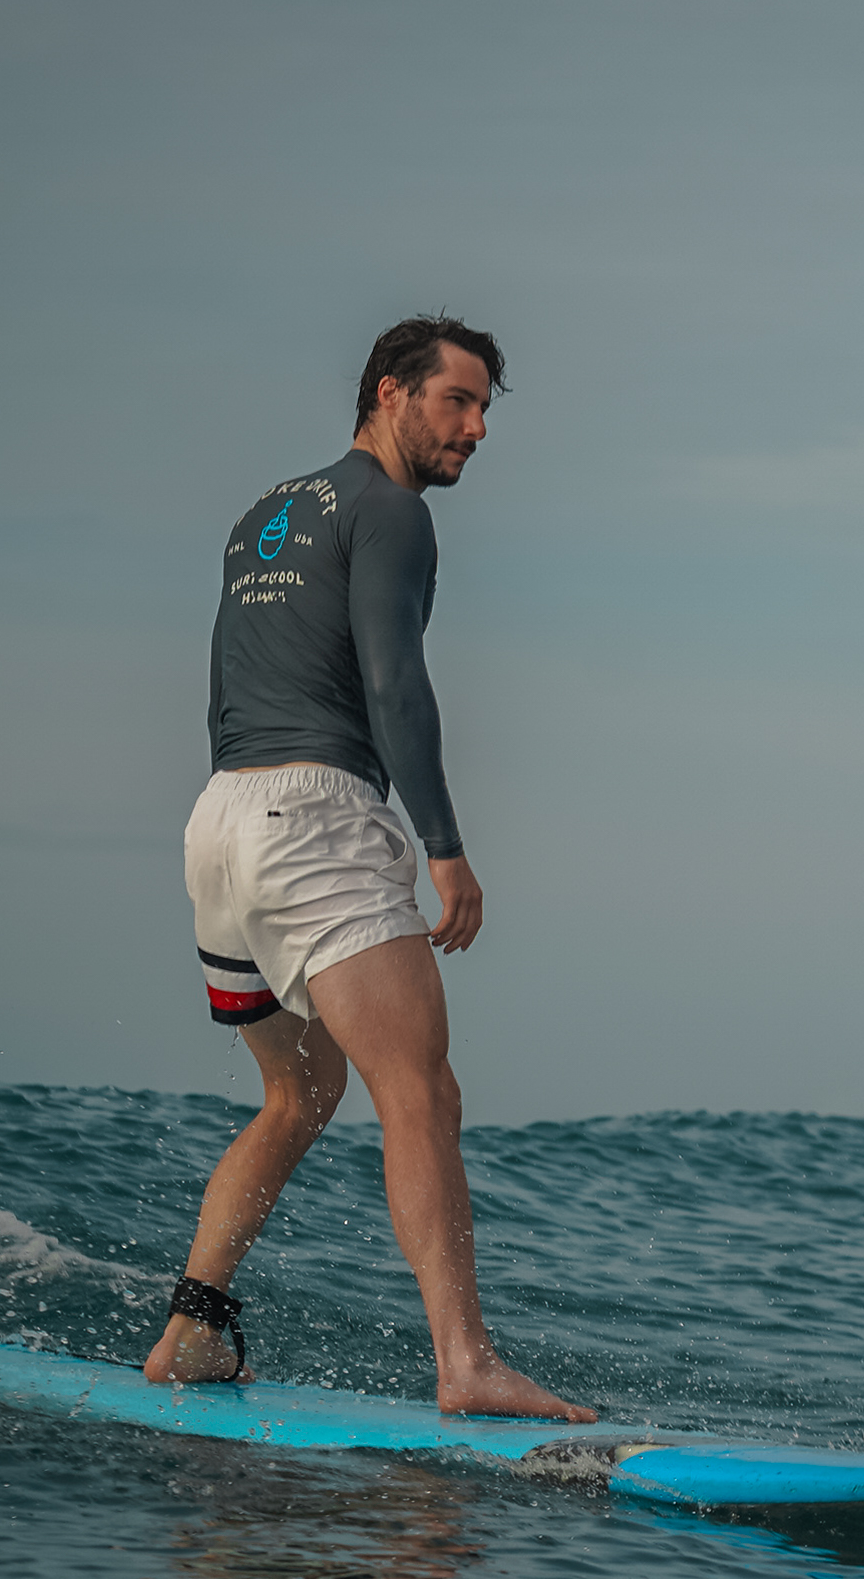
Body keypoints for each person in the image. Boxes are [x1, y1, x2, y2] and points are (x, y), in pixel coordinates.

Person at [147, 313, 596, 1420]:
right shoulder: (390, 511)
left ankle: (189, 1327)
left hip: (219, 820)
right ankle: (466, 1362)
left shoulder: (267, 511)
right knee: (421, 1092)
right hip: (314, 815)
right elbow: (397, 685)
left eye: (486, 407)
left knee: (300, 1090)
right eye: (458, 400)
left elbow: (226, 682)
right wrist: (445, 847)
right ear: (390, 394)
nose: (477, 428)